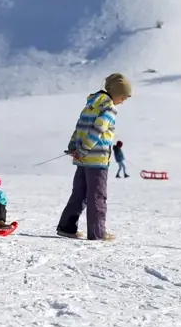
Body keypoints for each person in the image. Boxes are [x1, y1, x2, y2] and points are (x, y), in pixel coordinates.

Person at [56, 73, 132, 241]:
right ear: (115, 92)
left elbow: (79, 127)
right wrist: (83, 149)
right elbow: (98, 130)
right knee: (97, 195)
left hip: (82, 158)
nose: (124, 100)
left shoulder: (90, 105)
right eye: (123, 96)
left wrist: (73, 146)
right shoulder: (109, 107)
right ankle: (97, 232)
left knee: (79, 193)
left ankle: (66, 227)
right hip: (97, 160)